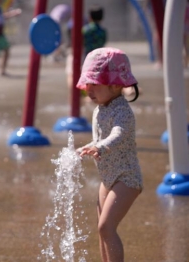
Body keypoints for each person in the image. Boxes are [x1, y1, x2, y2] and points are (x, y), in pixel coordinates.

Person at [75, 47, 142, 262]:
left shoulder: (122, 110)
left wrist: (101, 147)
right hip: (108, 178)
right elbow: (100, 138)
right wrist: (88, 146)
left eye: (94, 84)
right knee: (101, 230)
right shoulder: (100, 109)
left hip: (126, 178)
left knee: (107, 226)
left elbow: (118, 133)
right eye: (88, 84)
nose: (88, 89)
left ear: (114, 84)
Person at [66, 5, 106, 90]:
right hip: (99, 58)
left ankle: (78, 92)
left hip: (86, 57)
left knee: (80, 76)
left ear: (90, 17)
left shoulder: (85, 30)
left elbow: (79, 43)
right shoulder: (103, 31)